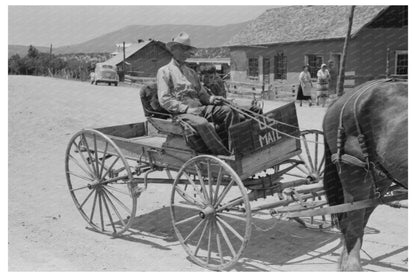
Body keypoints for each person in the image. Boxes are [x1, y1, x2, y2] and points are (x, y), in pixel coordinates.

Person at [157, 32, 240, 155]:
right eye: (184, 49)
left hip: (200, 108)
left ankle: (235, 150)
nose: (187, 53)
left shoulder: (190, 72)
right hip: (182, 113)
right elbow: (164, 99)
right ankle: (223, 154)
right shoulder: (164, 71)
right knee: (202, 123)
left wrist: (211, 99)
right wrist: (186, 109)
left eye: (188, 50)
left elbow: (201, 94)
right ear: (173, 49)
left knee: (230, 111)